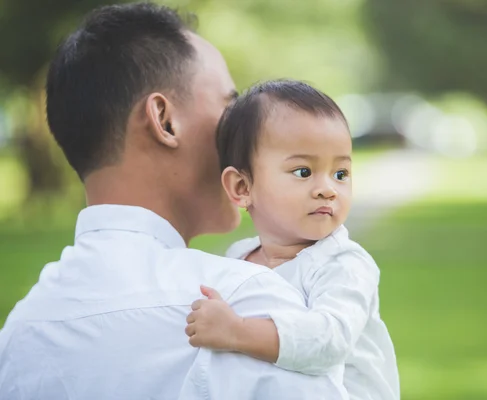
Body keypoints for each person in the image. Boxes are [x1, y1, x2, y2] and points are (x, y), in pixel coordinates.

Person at [0, 3, 348, 399]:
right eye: (231, 108)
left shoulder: (19, 333)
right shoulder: (240, 306)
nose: (246, 135)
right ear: (165, 120)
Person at [185, 80, 400, 400]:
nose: (328, 188)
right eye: (303, 172)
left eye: (340, 174)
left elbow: (329, 340)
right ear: (243, 188)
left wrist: (237, 331)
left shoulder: (344, 264)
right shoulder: (238, 258)